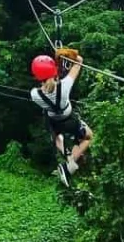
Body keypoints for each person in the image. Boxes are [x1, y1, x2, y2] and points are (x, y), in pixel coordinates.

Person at [30, 53, 93, 187]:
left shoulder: (35, 94)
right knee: (88, 137)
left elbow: (49, 85)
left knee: (58, 137)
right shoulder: (65, 85)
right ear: (54, 71)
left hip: (53, 123)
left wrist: (56, 69)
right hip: (69, 120)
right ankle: (69, 166)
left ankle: (69, 155)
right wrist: (69, 54)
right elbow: (79, 62)